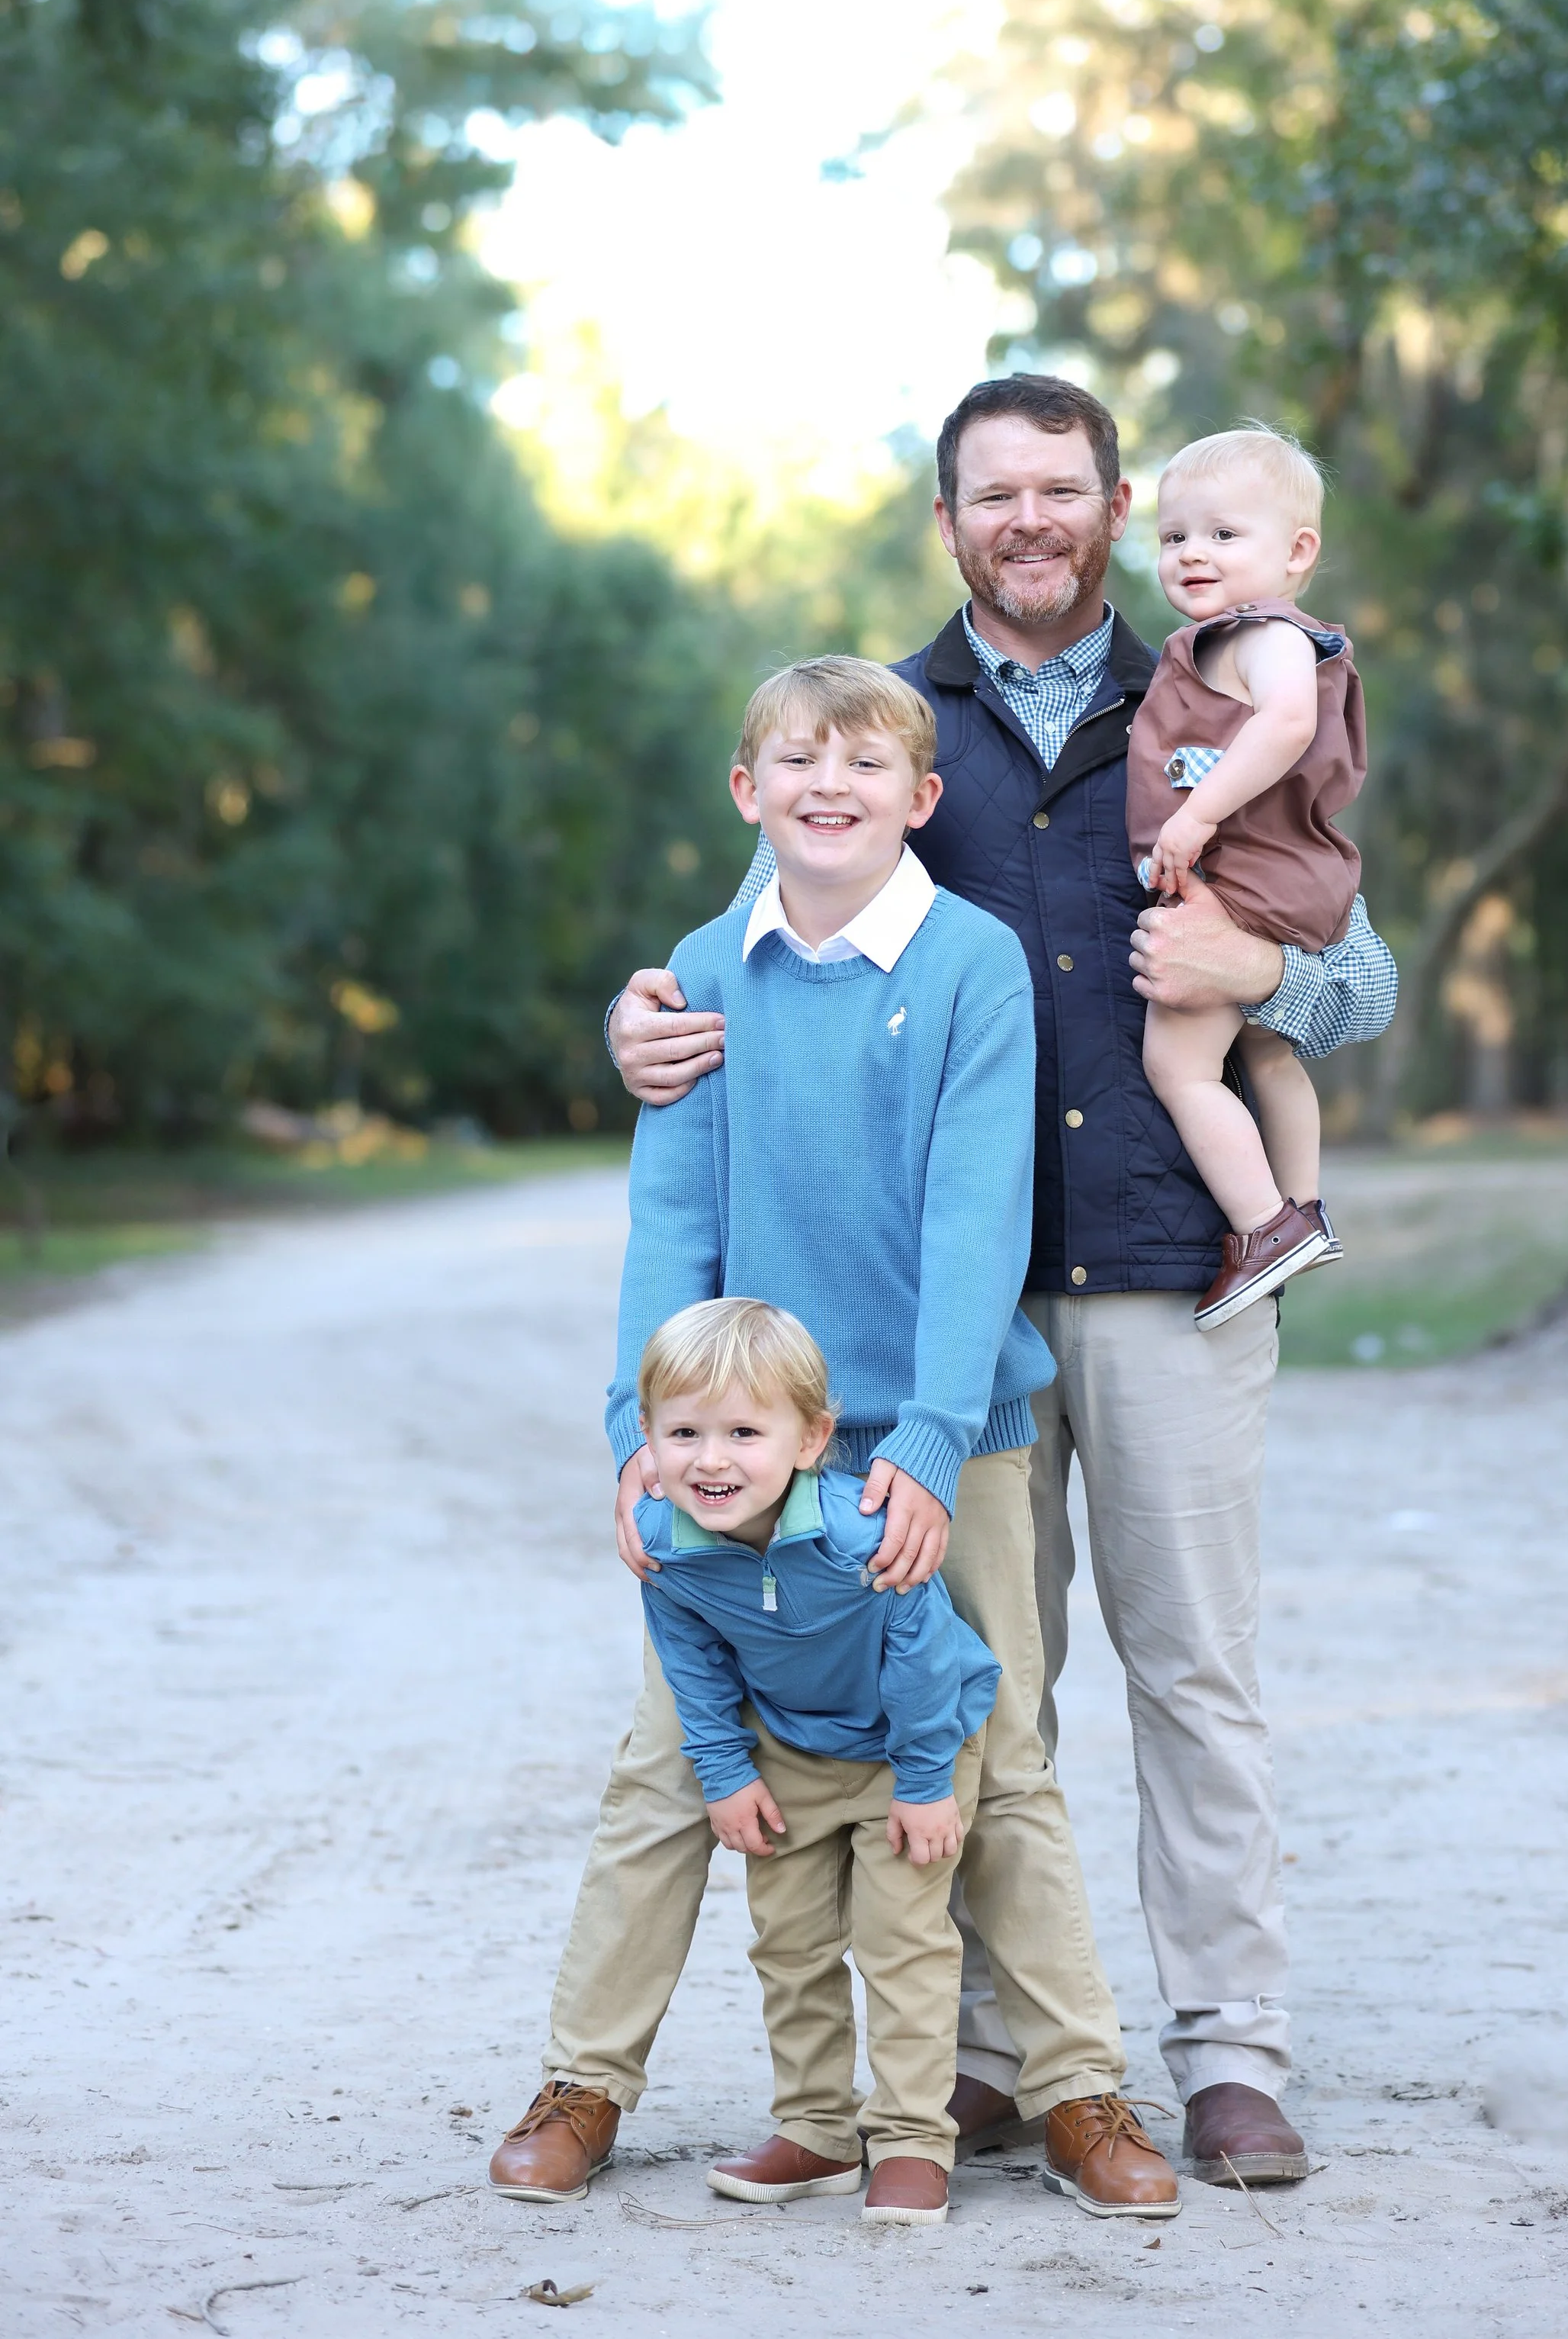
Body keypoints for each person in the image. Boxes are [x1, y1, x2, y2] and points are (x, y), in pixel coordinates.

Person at [608, 375, 1329, 2189]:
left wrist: (1266, 962)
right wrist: (633, 1018)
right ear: (950, 520)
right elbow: (750, 947)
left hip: (1173, 1260)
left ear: (1110, 510)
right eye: (993, 492)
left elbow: (1354, 967)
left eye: (1062, 490)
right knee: (991, 1677)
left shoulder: (1218, 693)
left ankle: (1230, 2051)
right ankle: (1001, 2050)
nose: (1029, 517)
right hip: (952, 1318)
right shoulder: (878, 720)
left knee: (1196, 1668)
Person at [489, 653, 1178, 2225]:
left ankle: (1079, 2095)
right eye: (793, 763)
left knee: (995, 1765)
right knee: (668, 1769)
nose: (826, 787)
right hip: (739, 1449)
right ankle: (585, 2081)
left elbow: (971, 1215)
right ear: (747, 794)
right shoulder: (699, 973)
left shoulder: (968, 964)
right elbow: (670, 1218)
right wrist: (637, 1439)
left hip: (943, 1439)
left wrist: (930, 1446)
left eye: (862, 766)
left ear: (918, 802)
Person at [631, 1295, 998, 2225]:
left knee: (904, 1942)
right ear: (647, 1439)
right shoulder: (669, 1552)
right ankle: (816, 2132)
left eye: (743, 1432)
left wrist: (922, 1784)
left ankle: (913, 2139)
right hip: (788, 1748)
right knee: (788, 1944)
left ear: (809, 1439)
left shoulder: (860, 1536)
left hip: (909, 1746)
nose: (710, 1459)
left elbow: (921, 1656)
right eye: (683, 1433)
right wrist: (724, 1771)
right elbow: (693, 1663)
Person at [1127, 424, 1398, 1331]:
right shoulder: (1220, 642)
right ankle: (1306, 1206)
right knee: (1264, 1048)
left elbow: (1284, 727)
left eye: (1223, 534)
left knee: (1178, 1061)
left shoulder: (1266, 636)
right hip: (1279, 881)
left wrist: (1196, 816)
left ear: (1297, 553)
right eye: (1175, 537)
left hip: (1247, 885)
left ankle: (1262, 1226)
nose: (1192, 552)